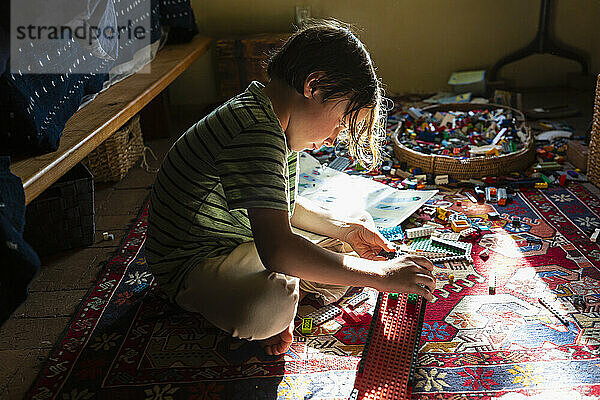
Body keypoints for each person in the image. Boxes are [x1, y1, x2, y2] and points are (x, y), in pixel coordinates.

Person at [146, 19, 435, 356]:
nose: (331, 139)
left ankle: (304, 274)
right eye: (341, 122)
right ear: (314, 85)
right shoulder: (255, 131)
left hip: (242, 241)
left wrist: (345, 230)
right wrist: (382, 274)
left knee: (355, 226)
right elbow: (278, 249)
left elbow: (283, 203)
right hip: (194, 265)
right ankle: (296, 283)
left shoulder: (274, 118)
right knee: (269, 305)